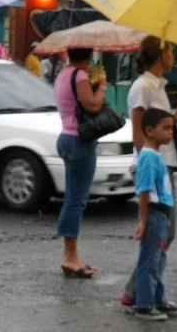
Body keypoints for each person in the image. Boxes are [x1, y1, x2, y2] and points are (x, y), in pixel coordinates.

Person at [121, 36, 177, 313]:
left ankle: (147, 293)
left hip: (165, 163)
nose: (173, 57)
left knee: (165, 234)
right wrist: (147, 164)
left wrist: (176, 117)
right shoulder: (143, 87)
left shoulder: (158, 86)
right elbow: (139, 131)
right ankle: (138, 294)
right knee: (159, 234)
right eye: (171, 51)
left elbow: (158, 125)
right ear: (160, 55)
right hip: (154, 167)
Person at [53, 47, 107, 278]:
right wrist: (101, 86)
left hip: (66, 138)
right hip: (79, 141)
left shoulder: (63, 74)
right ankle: (70, 256)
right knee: (77, 200)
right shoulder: (80, 75)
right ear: (89, 55)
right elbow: (93, 105)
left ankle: (71, 255)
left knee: (72, 198)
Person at [132, 107, 177, 321]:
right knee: (150, 261)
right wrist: (144, 221)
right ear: (149, 130)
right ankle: (144, 305)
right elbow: (144, 192)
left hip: (161, 214)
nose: (170, 132)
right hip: (153, 214)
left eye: (171, 128)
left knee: (159, 260)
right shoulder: (147, 157)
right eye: (165, 128)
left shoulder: (156, 155)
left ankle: (159, 300)